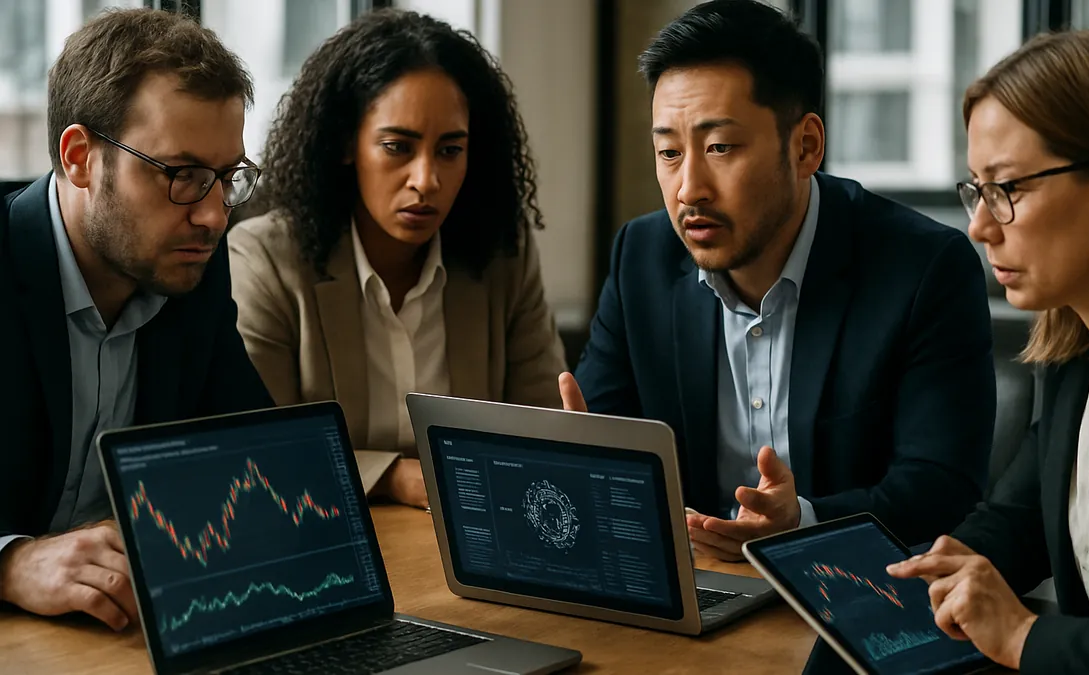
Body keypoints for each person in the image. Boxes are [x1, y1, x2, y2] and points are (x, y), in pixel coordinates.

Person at [559, 0, 996, 557]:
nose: (689, 187)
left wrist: (803, 522)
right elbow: (606, 440)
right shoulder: (641, 257)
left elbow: (942, 488)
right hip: (696, 584)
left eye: (720, 147)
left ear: (806, 145)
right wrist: (578, 457)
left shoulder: (921, 269)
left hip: (846, 590)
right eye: (668, 152)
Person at [886, 29, 1089, 674]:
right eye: (976, 189)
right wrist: (917, 577)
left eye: (1008, 188)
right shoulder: (1073, 351)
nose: (978, 225)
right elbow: (1015, 522)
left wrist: (1021, 637)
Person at [0, 9, 273, 631]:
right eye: (182, 176)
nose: (213, 216)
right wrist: (11, 565)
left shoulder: (189, 265)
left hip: (122, 635)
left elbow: (255, 459)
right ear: (79, 158)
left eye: (226, 178)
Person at [228, 9, 566, 510]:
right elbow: (259, 449)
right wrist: (393, 478)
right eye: (397, 147)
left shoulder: (502, 256)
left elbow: (542, 427)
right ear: (347, 144)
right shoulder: (267, 258)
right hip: (324, 542)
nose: (426, 180)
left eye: (450, 150)